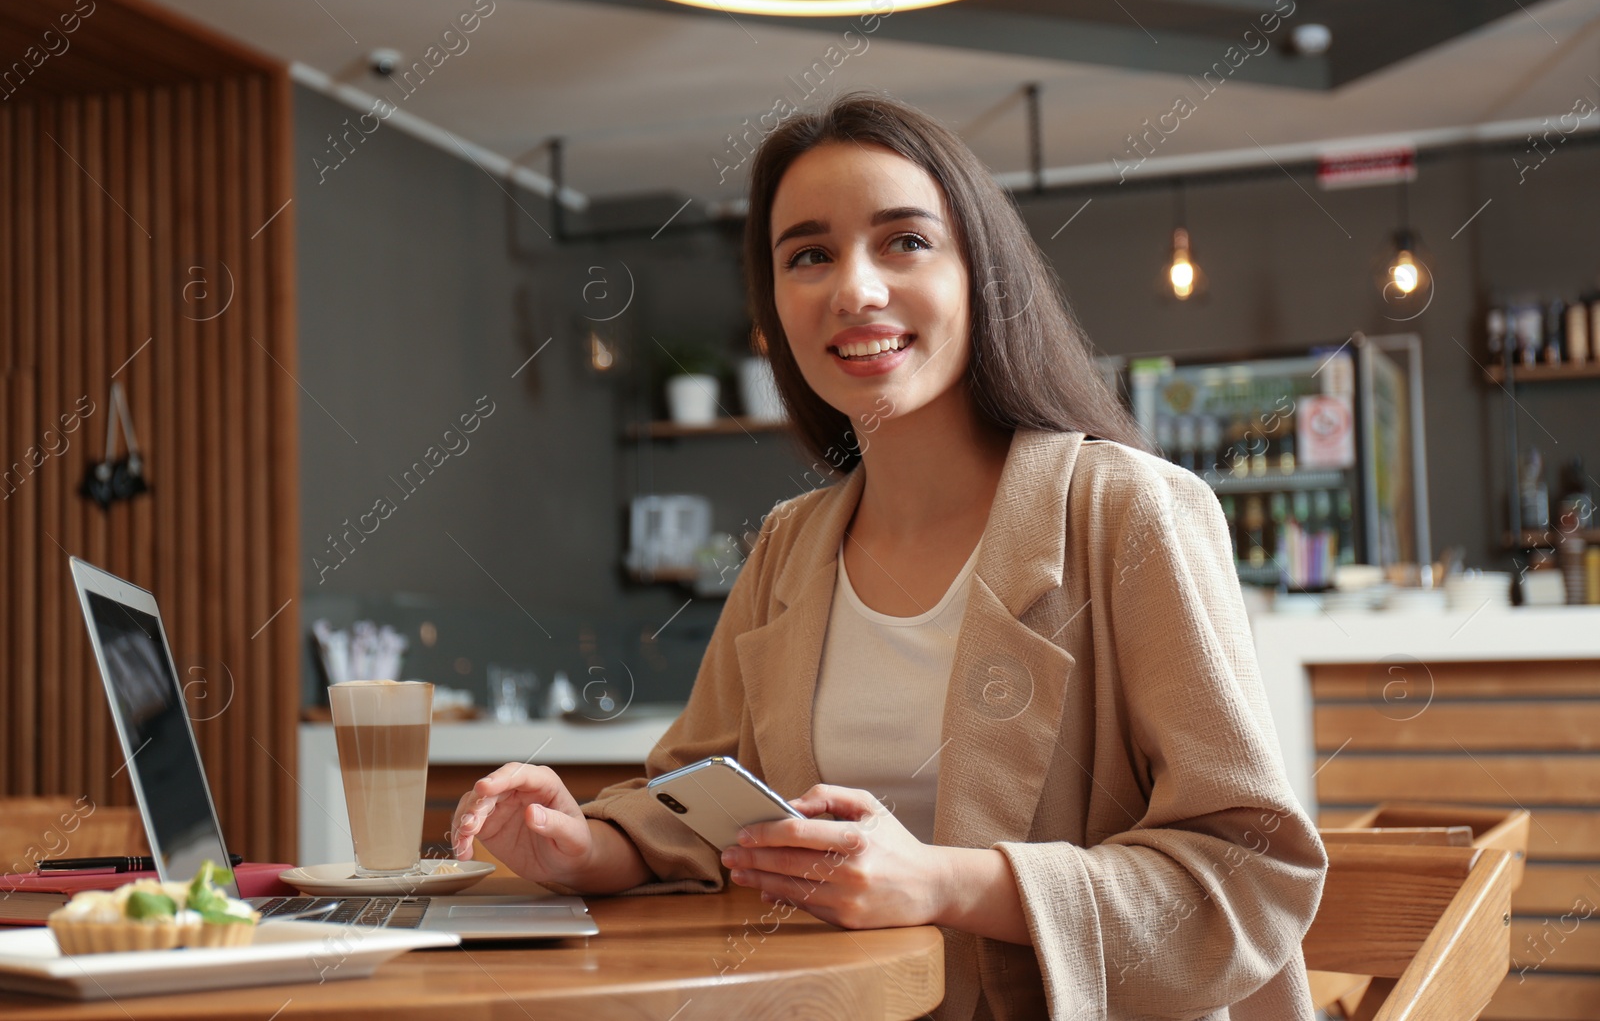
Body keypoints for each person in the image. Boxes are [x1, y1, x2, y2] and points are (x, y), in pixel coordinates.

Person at [452, 91, 1327, 1020]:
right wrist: (582, 845)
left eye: (904, 240)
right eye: (809, 255)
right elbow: (703, 805)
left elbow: (1251, 872)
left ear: (980, 273)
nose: (854, 289)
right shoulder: (790, 546)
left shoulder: (1129, 512)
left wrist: (945, 882)